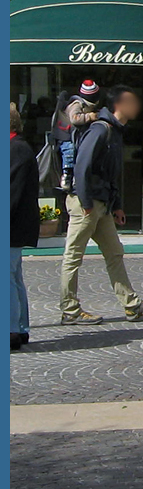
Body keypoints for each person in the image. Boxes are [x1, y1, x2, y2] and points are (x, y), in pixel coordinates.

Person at [59, 85, 143, 326]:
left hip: (101, 203)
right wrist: (85, 202)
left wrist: (116, 205)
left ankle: (132, 305)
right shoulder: (100, 129)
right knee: (73, 257)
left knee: (114, 253)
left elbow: (111, 173)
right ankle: (69, 310)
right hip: (87, 202)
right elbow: (82, 167)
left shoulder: (115, 131)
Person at [10, 103, 39, 351]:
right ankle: (19, 328)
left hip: (12, 225)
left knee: (8, 279)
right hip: (15, 225)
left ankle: (12, 330)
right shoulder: (16, 147)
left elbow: (11, 192)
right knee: (13, 277)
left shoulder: (16, 148)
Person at [57, 80, 102, 191]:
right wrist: (89, 117)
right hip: (67, 137)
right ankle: (67, 175)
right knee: (69, 153)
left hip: (78, 137)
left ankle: (77, 178)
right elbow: (75, 119)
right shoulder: (77, 104)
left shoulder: (89, 106)